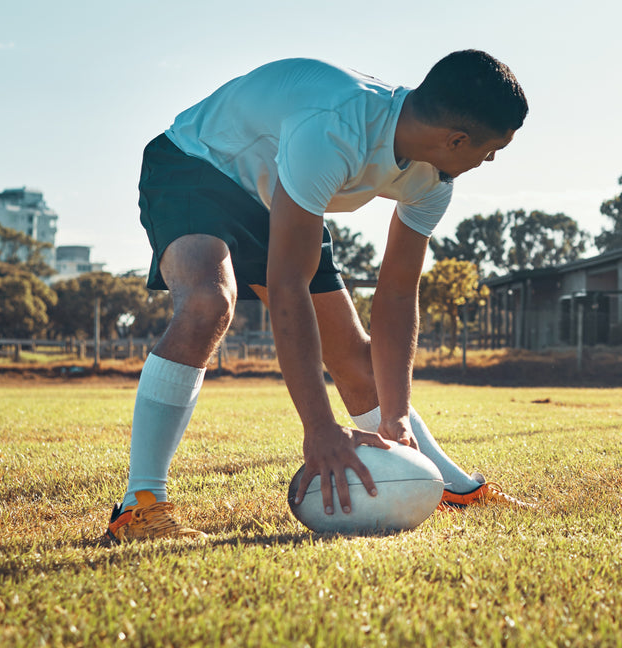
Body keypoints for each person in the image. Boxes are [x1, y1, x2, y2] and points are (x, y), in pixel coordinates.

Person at [105, 51, 534, 543]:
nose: (492, 159)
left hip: (277, 192)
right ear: (456, 138)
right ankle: (140, 504)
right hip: (196, 165)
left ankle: (448, 486)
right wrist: (321, 428)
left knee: (355, 358)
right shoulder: (333, 130)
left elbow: (396, 294)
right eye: (492, 148)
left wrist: (395, 413)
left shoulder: (434, 180)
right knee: (209, 302)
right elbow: (288, 286)